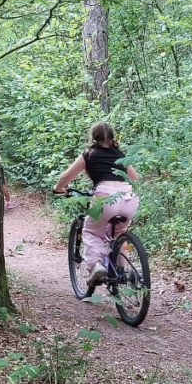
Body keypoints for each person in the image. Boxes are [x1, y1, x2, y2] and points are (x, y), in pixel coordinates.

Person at [53, 122, 139, 297]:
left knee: (92, 232)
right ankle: (121, 271)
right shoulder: (120, 154)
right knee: (119, 234)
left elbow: (66, 176)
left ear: (93, 137)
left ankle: (96, 267)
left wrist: (58, 189)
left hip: (105, 198)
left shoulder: (89, 154)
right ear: (113, 137)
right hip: (129, 198)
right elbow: (135, 178)